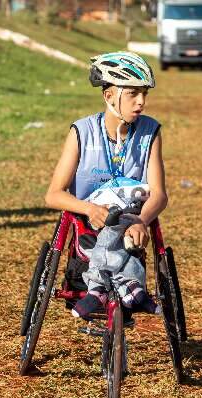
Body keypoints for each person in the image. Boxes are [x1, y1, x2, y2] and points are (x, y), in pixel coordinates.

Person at [45, 51, 168, 318]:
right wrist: (89, 209)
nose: (141, 102)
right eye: (133, 93)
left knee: (125, 235)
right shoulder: (81, 132)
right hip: (90, 221)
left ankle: (109, 290)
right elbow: (53, 195)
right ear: (109, 96)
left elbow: (159, 194)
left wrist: (141, 220)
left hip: (130, 221)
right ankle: (124, 290)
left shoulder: (150, 132)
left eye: (144, 94)